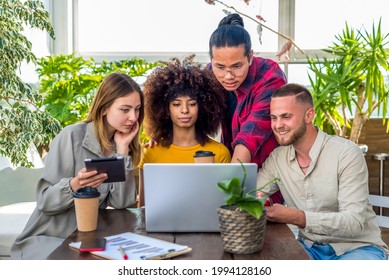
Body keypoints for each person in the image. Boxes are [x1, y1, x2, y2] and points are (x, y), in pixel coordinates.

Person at [11, 73, 143, 259]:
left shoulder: (120, 143)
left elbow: (121, 203)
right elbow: (45, 201)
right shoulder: (71, 136)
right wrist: (75, 184)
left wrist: (122, 151)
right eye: (125, 109)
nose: (133, 117)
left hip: (87, 239)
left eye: (137, 109)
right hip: (48, 239)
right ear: (104, 108)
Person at [257, 83, 389, 260]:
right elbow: (253, 193)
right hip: (309, 248)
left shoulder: (346, 153)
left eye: (286, 117)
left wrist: (297, 217)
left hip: (358, 248)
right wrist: (255, 200)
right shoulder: (278, 158)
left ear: (309, 115)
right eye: (274, 118)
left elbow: (354, 222)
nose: (278, 125)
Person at [209, 13, 287, 204]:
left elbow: (251, 135)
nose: (228, 76)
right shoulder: (209, 75)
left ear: (250, 57)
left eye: (237, 66)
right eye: (220, 67)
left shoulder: (270, 75)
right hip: (233, 167)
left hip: (267, 173)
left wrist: (230, 187)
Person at [138, 56, 231, 206]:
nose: (185, 110)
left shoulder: (219, 152)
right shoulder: (152, 152)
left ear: (203, 107)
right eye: (176, 104)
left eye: (192, 104)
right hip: (161, 227)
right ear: (165, 109)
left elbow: (226, 208)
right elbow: (142, 208)